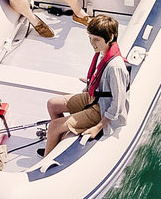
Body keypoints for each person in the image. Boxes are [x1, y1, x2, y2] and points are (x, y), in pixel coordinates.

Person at [40, 14, 130, 155]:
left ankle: (49, 152)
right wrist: (93, 82)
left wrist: (98, 127)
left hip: (101, 109)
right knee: (52, 104)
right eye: (90, 38)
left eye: (96, 39)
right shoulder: (102, 52)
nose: (92, 43)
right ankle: (57, 140)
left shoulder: (115, 67)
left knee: (54, 126)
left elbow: (117, 105)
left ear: (110, 37)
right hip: (93, 97)